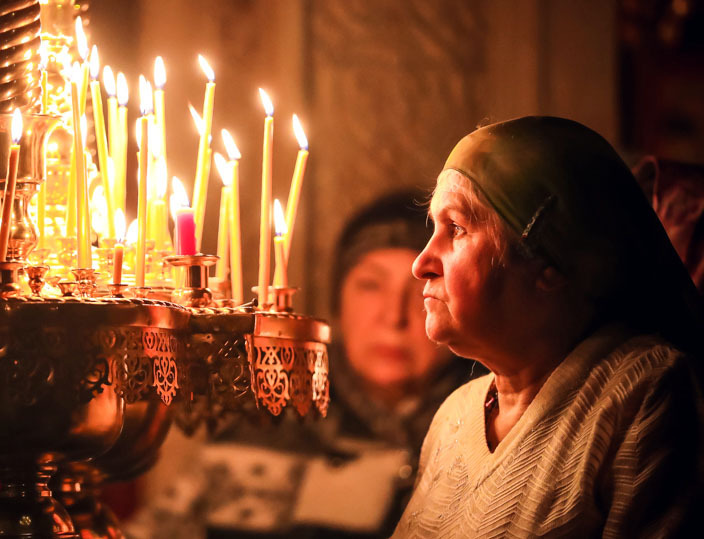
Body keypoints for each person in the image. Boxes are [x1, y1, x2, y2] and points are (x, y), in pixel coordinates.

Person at [395, 116, 704, 537]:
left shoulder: (643, 393)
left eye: (457, 229)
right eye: (434, 227)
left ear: (549, 264)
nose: (421, 263)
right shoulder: (454, 415)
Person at [127, 190, 479, 538]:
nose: (393, 317)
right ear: (338, 303)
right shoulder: (267, 420)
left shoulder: (486, 437)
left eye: (421, 289)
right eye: (371, 286)